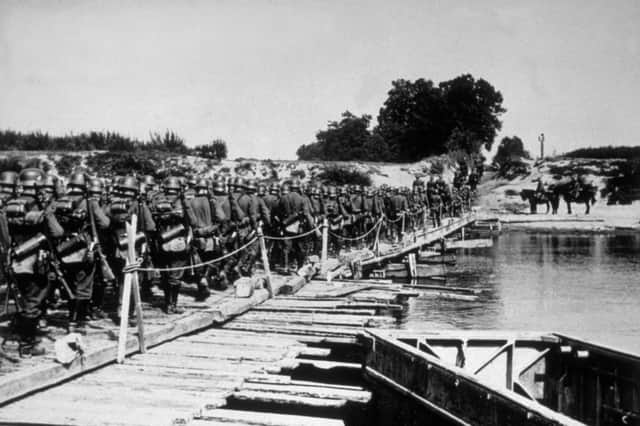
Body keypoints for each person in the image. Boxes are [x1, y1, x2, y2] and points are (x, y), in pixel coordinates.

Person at [6, 168, 64, 356]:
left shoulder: (10, 204)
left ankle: (19, 330)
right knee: (33, 301)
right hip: (35, 261)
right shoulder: (39, 207)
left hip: (16, 259)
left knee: (21, 298)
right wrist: (48, 209)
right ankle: (27, 344)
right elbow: (57, 233)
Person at [150, 176, 194, 311]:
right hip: (178, 242)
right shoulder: (183, 201)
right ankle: (171, 305)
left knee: (165, 274)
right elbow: (193, 220)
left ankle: (167, 302)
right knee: (176, 276)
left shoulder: (156, 199)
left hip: (161, 242)